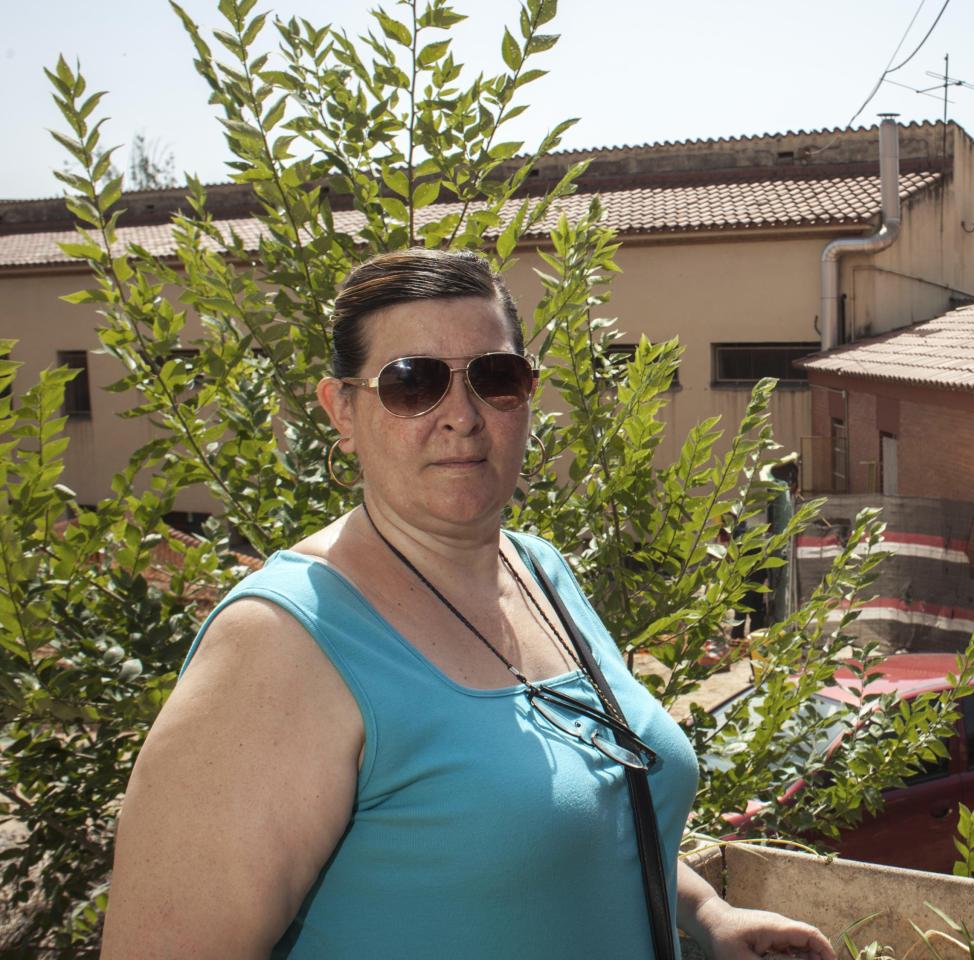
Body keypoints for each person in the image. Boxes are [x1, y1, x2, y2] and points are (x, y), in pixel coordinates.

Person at [102, 249, 834, 960]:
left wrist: (707, 914)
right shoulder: (281, 644)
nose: (462, 414)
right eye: (412, 382)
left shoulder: (541, 573)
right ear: (343, 412)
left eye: (495, 376)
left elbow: (587, 817)